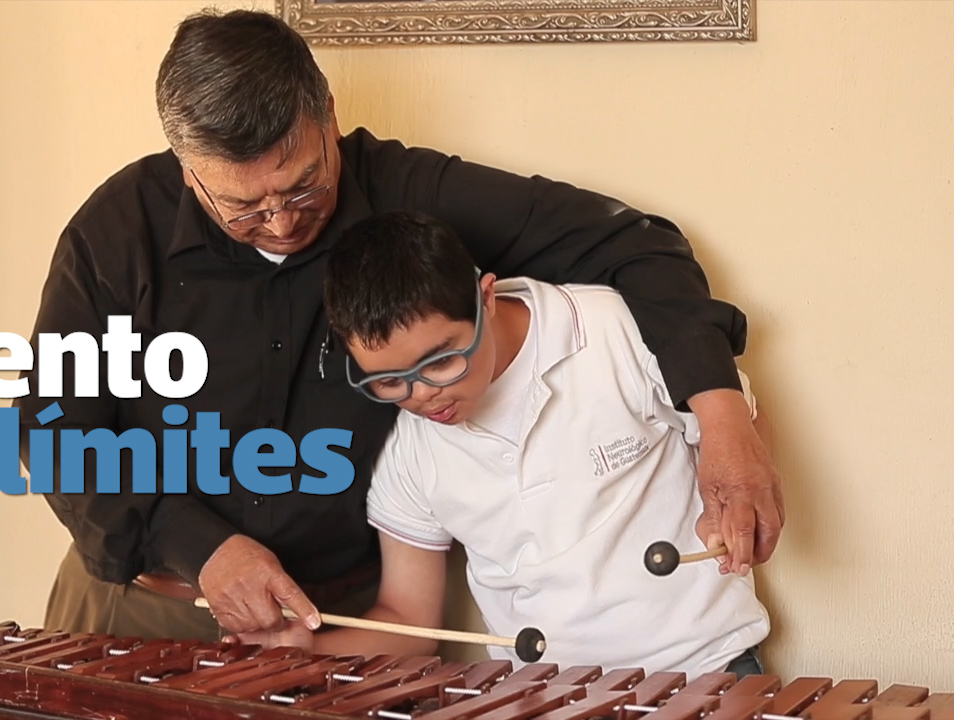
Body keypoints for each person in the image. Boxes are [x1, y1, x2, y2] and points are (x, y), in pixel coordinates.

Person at [12, 8, 784, 642]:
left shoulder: (411, 193)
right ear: (188, 170)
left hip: (338, 621)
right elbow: (53, 432)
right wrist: (202, 547)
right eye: (242, 208)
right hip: (143, 603)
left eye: (303, 186)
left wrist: (722, 422)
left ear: (327, 116)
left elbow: (635, 246)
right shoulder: (117, 233)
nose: (280, 223)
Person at [231, 210, 772, 677]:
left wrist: (736, 508)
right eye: (390, 380)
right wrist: (308, 649)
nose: (423, 396)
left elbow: (740, 433)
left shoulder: (613, 331)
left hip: (705, 672)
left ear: (485, 297)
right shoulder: (411, 450)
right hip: (543, 697)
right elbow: (408, 620)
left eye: (441, 360)